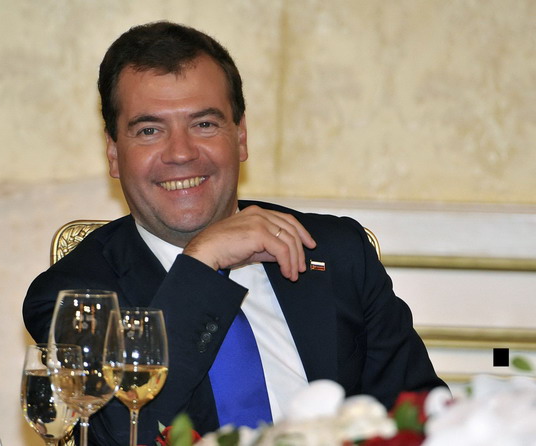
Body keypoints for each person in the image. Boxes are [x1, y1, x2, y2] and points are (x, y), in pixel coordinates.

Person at [23, 21, 446, 445]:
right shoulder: (74, 297)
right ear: (114, 155)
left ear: (240, 137)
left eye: (204, 124)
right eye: (149, 130)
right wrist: (201, 264)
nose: (182, 153)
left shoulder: (332, 253)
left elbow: (422, 415)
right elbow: (118, 434)